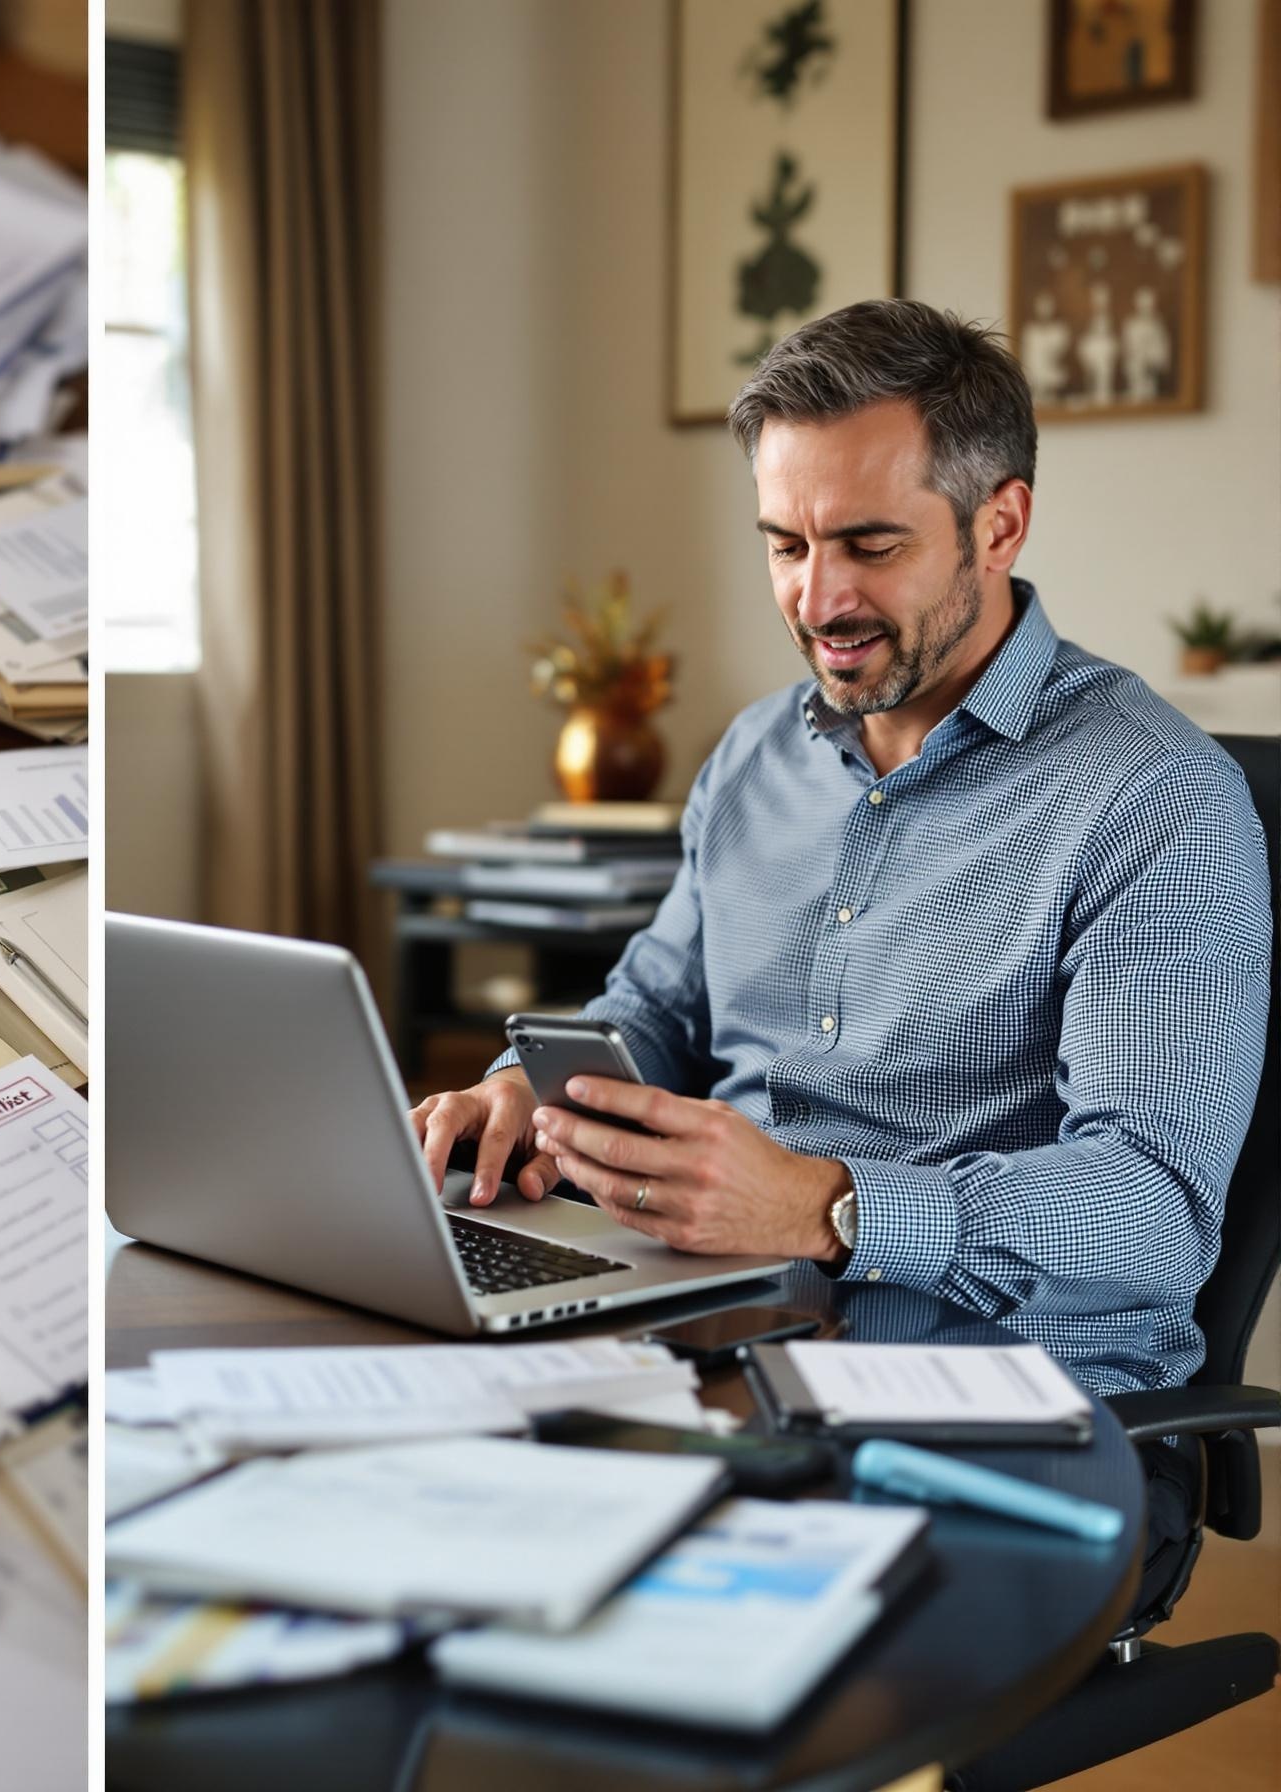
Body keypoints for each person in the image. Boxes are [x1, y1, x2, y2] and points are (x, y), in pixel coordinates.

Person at [409, 296, 1269, 1626]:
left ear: (1002, 523)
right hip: (715, 1341)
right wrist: (531, 1086)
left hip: (1007, 1396)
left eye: (870, 545)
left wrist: (828, 1207)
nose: (821, 599)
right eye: (787, 545)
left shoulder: (1155, 802)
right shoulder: (755, 755)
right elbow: (656, 1003)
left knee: (639, 1644)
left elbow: (1154, 1219)